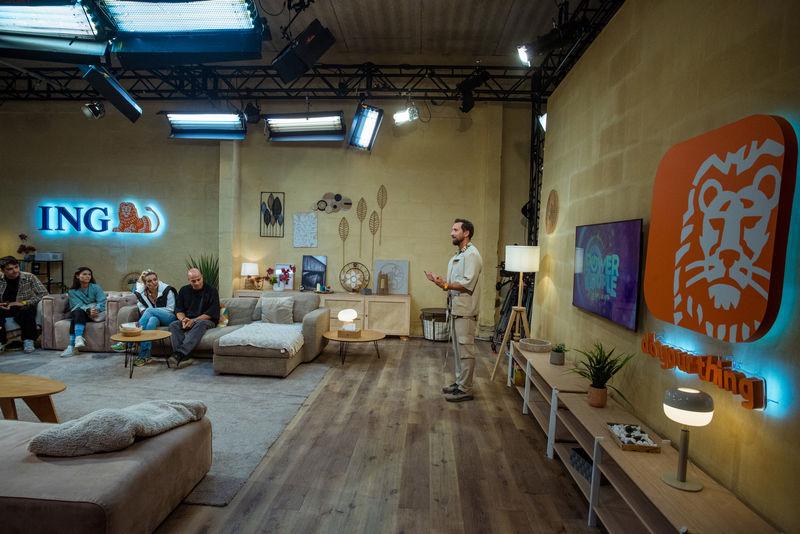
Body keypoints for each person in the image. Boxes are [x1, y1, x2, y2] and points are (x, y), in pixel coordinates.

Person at [425, 219, 483, 402]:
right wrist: (441, 282)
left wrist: (445, 284)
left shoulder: (472, 255)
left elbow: (467, 284)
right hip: (456, 310)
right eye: (452, 229)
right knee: (458, 351)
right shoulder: (459, 255)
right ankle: (460, 383)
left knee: (466, 351)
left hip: (466, 311)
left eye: (455, 230)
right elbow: (453, 284)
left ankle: (466, 389)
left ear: (466, 233)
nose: (451, 233)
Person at [123, 269, 177, 367]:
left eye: (155, 279)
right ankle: (145, 356)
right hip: (156, 318)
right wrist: (153, 312)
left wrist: (153, 311)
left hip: (170, 317)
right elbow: (138, 298)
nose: (153, 282)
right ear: (145, 284)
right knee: (152, 321)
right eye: (149, 281)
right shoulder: (144, 293)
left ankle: (129, 341)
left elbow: (171, 309)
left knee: (149, 311)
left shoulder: (167, 290)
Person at [168, 268, 219, 369]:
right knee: (173, 325)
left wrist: (194, 320)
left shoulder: (212, 290)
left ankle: (179, 353)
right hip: (187, 319)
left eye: (199, 279)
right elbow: (178, 310)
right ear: (189, 280)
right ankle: (185, 358)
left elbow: (212, 312)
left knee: (201, 323)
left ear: (202, 277)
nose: (197, 283)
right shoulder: (184, 290)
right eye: (193, 281)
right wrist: (183, 320)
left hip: (205, 320)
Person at [0, 256, 47, 353]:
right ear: (3, 270)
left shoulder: (29, 277)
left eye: (16, 267)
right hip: (5, 306)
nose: (15, 271)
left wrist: (22, 303)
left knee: (26, 311)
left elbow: (43, 293)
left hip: (24, 305)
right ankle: (1, 341)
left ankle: (28, 340)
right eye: (10, 269)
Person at [62, 266, 106, 357]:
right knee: (78, 311)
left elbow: (102, 301)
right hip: (81, 313)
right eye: (84, 274)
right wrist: (88, 310)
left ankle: (71, 346)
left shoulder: (96, 287)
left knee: (75, 317)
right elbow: (77, 305)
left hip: (94, 314)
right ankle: (78, 339)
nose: (88, 276)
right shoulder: (72, 291)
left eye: (89, 274)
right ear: (77, 276)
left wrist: (96, 309)